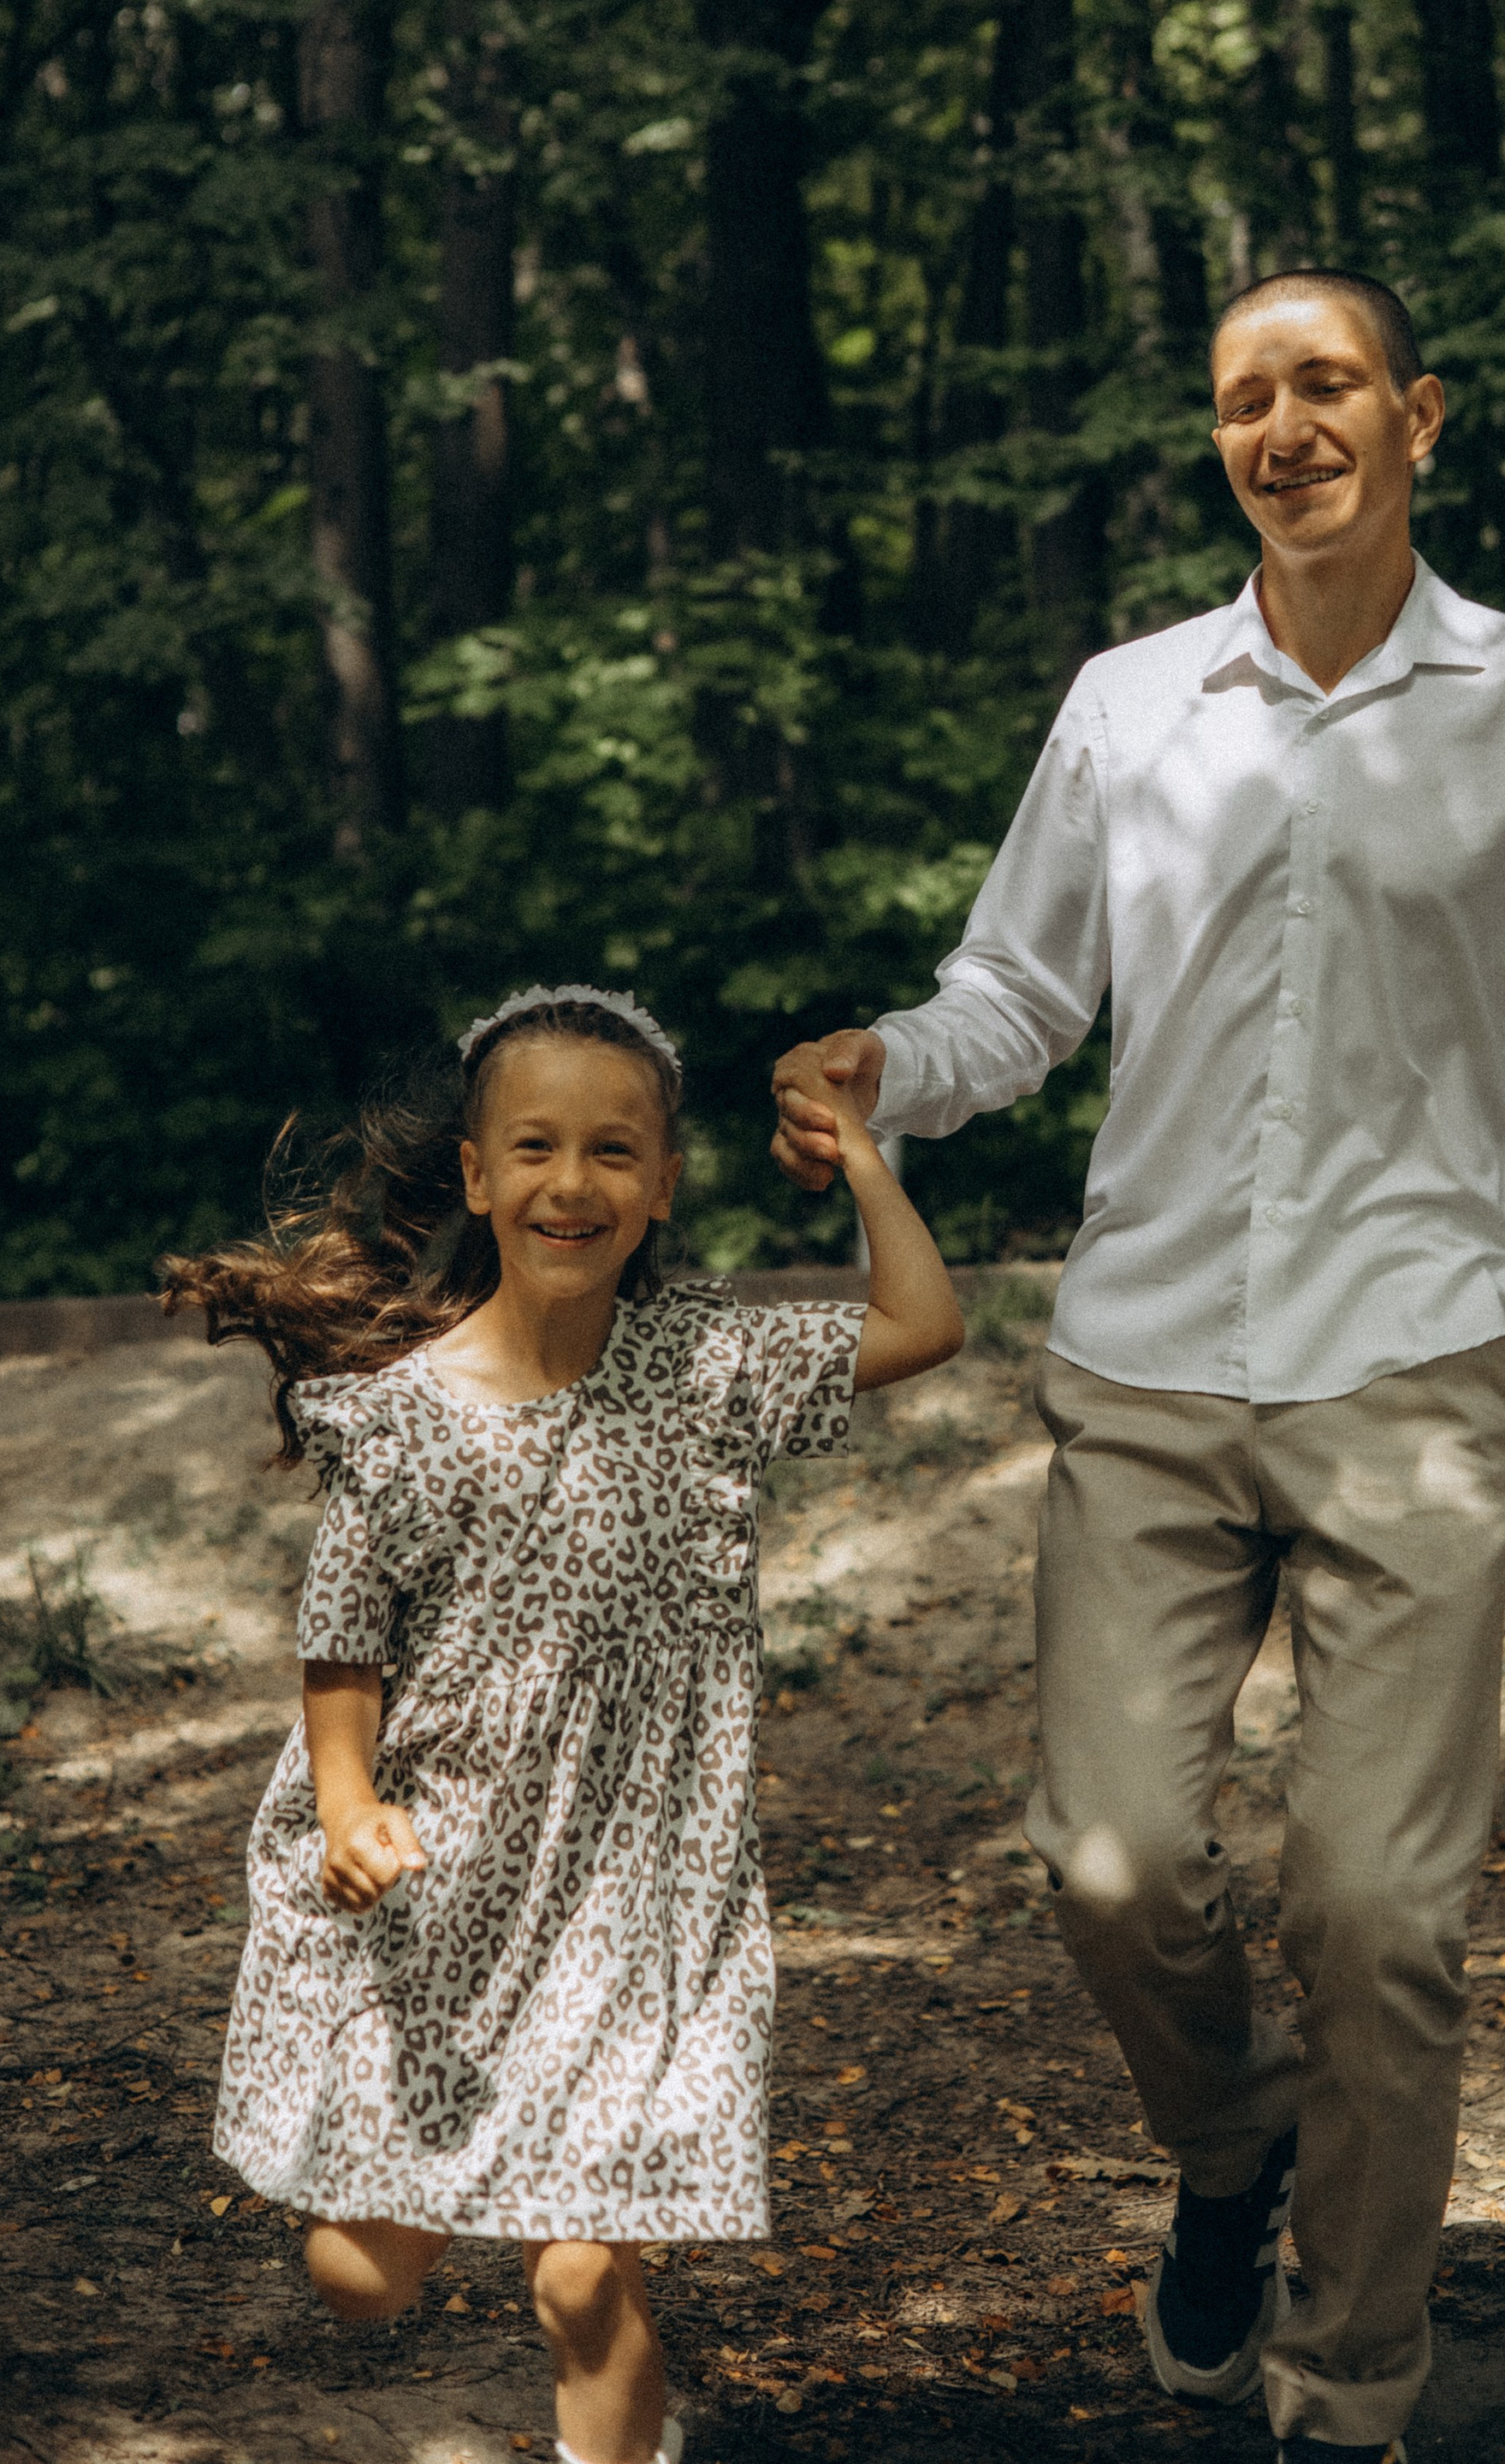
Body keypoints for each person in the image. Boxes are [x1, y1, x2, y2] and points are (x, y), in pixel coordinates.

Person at [770, 270, 1505, 2464]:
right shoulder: (1129, 702)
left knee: (1376, 1908)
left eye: (1324, 384)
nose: (1283, 425)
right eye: (1243, 398)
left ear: (1415, 416)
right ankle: (1234, 2154)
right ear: (1216, 443)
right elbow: (1017, 996)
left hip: (1413, 1363)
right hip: (1145, 1360)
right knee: (1113, 1862)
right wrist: (899, 1065)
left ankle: (1345, 2390)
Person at [165, 982, 961, 2464]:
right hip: (445, 1893)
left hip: (639, 1894)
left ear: (662, 1187)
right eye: (534, 1148)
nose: (572, 1182)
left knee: (586, 2271)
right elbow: (340, 1645)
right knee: (358, 2279)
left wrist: (859, 1152)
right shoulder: (398, 1419)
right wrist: (346, 1808)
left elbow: (926, 1321)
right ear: (478, 1179)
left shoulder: (709, 1368)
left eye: (614, 1152)